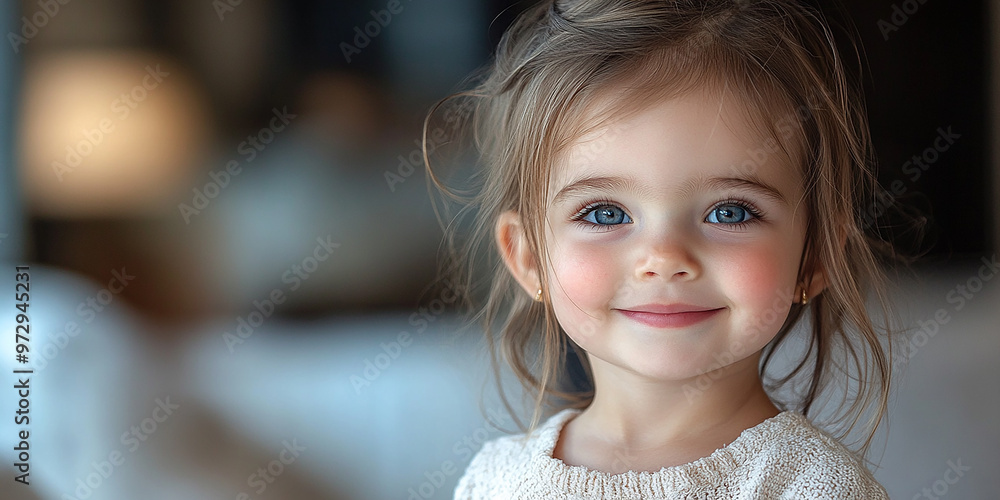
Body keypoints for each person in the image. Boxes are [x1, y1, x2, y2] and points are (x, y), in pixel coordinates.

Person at [424, 1, 914, 497]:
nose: (663, 258)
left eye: (729, 212)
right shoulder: (494, 481)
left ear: (816, 255)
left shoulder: (812, 488)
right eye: (604, 214)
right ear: (529, 260)